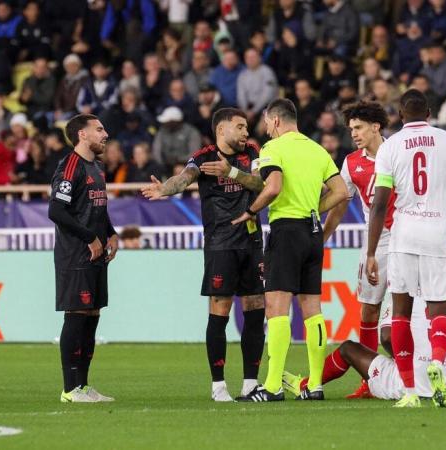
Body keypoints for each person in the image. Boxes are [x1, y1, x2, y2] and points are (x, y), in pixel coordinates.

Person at [141, 108, 266, 402]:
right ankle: (218, 386)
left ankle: (250, 383)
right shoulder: (203, 157)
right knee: (220, 310)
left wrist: (231, 172)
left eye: (247, 127)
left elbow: (262, 184)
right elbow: (184, 178)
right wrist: (165, 189)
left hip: (251, 241)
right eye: (240, 127)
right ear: (222, 130)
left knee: (255, 308)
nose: (246, 132)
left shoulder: (253, 151)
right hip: (220, 244)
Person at [234, 99, 349, 402]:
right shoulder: (317, 149)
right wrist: (313, 211)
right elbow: (341, 192)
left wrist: (250, 211)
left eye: (266, 123)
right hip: (311, 233)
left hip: (286, 231)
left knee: (276, 308)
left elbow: (272, 187)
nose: (266, 129)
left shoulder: (272, 150)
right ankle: (316, 386)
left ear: (274, 121)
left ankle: (271, 387)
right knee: (312, 309)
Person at [366, 89, 446, 408]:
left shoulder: (390, 146)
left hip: (403, 237)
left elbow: (380, 203)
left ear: (399, 113)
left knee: (400, 314)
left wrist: (371, 252)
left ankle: (409, 390)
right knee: (439, 310)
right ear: (429, 113)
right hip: (437, 233)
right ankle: (437, 362)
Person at [321, 101, 394, 399]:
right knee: (369, 310)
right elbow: (340, 203)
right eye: (351, 129)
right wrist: (323, 236)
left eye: (359, 127)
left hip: (406, 240)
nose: (354, 134)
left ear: (376, 126)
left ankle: (433, 373)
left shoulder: (398, 151)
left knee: (413, 311)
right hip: (376, 244)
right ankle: (369, 381)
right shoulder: (351, 163)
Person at [48, 114, 119, 403]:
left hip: (96, 254)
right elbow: (57, 210)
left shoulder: (97, 168)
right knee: (76, 315)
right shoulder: (70, 166)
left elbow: (97, 208)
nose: (105, 134)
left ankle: (83, 385)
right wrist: (89, 237)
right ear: (82, 135)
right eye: (99, 129)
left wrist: (111, 233)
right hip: (76, 254)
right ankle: (69, 389)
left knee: (92, 315)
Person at [282, 297, 446, 401]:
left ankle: (305, 385)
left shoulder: (402, 293)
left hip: (407, 383)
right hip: (442, 379)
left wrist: (403, 358)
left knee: (347, 349)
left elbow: (386, 337)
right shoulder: (440, 295)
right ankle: (441, 381)